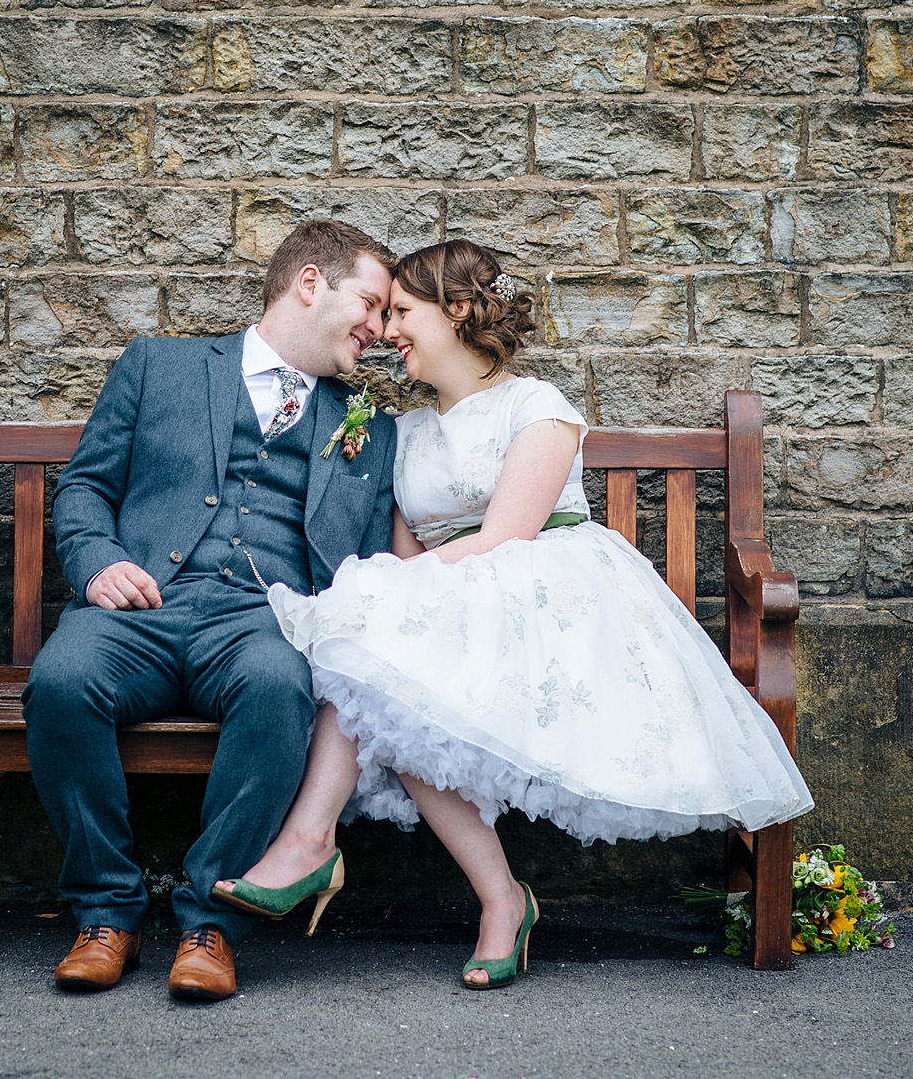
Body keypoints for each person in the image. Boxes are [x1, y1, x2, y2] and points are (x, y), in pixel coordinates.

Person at [213, 239, 814, 990]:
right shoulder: (404, 433)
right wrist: (381, 594)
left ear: (457, 310)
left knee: (385, 653)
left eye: (402, 312)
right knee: (392, 684)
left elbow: (506, 537)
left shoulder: (537, 407)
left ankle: (321, 844)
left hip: (546, 602)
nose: (387, 331)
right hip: (451, 605)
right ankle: (475, 891)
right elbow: (405, 551)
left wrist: (378, 596)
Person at [22, 219, 398, 1001]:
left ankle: (211, 925)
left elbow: (368, 564)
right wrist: (98, 565)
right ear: (308, 284)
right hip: (141, 609)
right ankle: (106, 912)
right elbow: (86, 486)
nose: (380, 328)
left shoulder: (370, 427)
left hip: (264, 621)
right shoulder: (158, 364)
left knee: (277, 688)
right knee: (60, 683)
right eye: (369, 303)